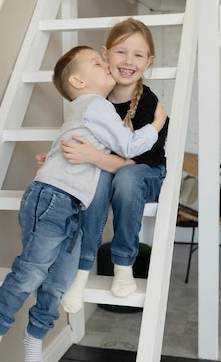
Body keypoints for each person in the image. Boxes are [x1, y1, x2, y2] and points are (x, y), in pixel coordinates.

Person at [0, 45, 167, 362]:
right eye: (97, 61)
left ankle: (33, 343)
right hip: (54, 199)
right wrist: (156, 126)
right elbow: (130, 147)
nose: (106, 63)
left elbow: (84, 148)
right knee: (31, 273)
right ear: (78, 82)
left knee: (58, 282)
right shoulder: (95, 105)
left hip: (74, 204)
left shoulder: (87, 111)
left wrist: (50, 158)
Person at [58, 18, 169, 313]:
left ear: (149, 61)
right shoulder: (96, 98)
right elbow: (78, 135)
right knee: (96, 180)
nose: (128, 61)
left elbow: (136, 160)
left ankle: (122, 264)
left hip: (147, 174)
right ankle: (81, 271)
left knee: (127, 178)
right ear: (105, 54)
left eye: (138, 54)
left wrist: (94, 158)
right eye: (121, 52)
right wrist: (58, 157)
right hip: (112, 170)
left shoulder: (148, 103)